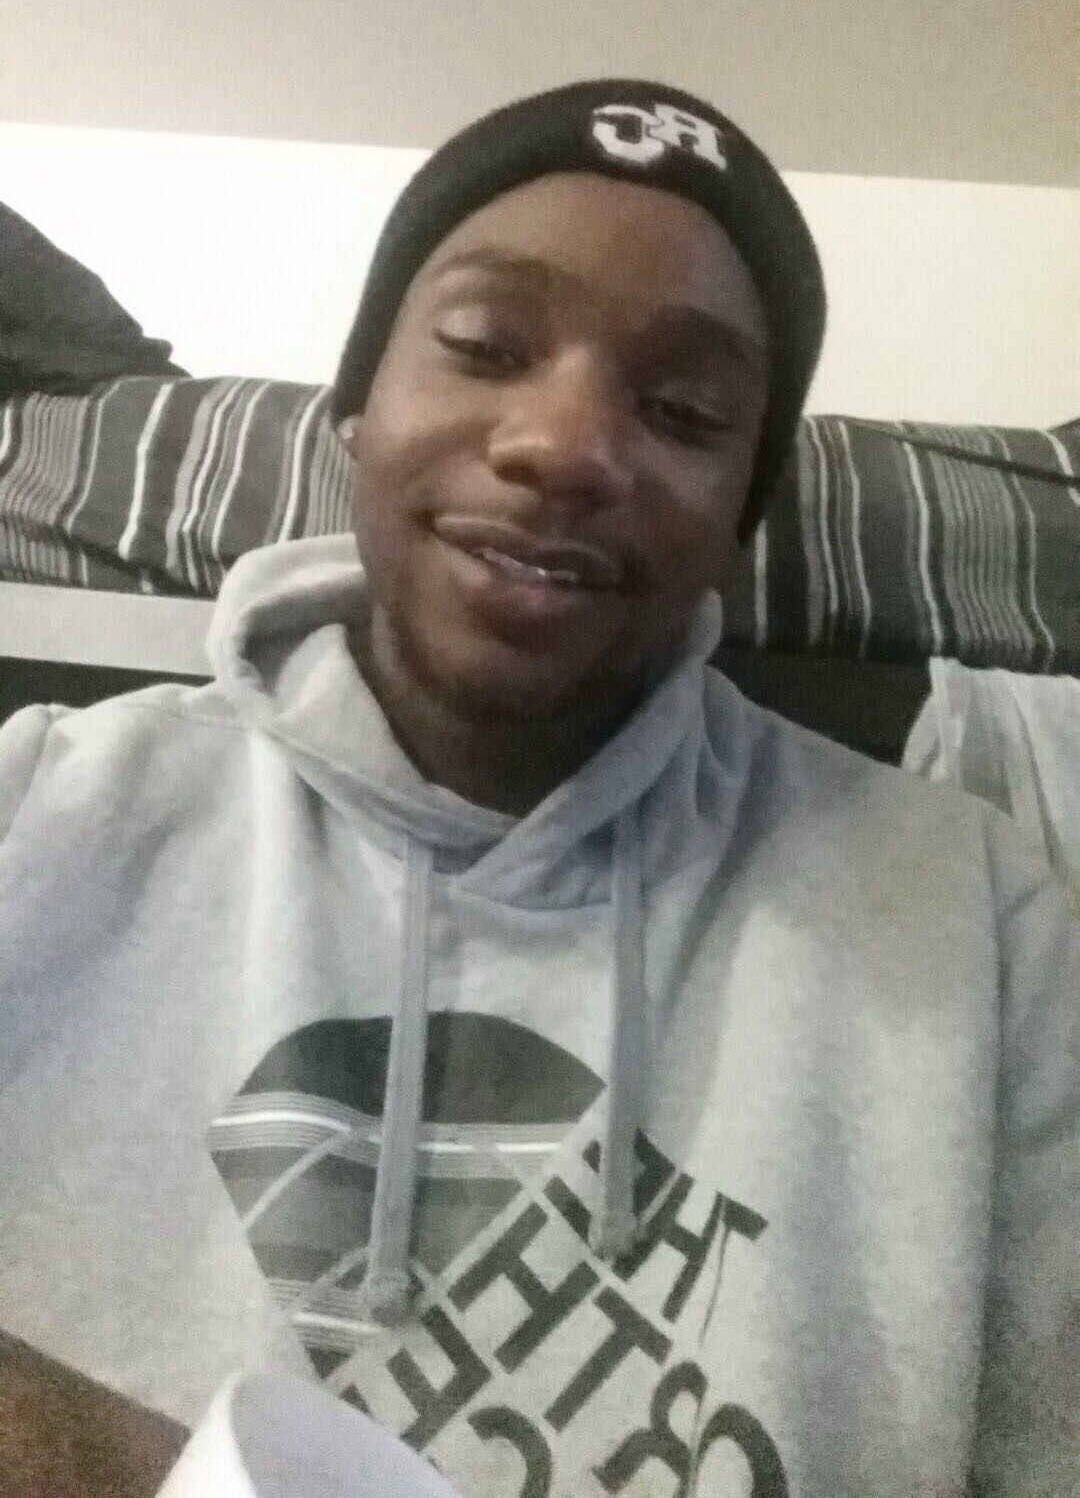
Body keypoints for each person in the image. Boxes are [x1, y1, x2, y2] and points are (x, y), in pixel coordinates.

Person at [0, 81, 1075, 1498]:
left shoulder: (984, 926)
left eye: (684, 410)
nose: (563, 447)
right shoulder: (33, 808)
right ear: (356, 403)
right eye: (484, 346)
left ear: (743, 515)